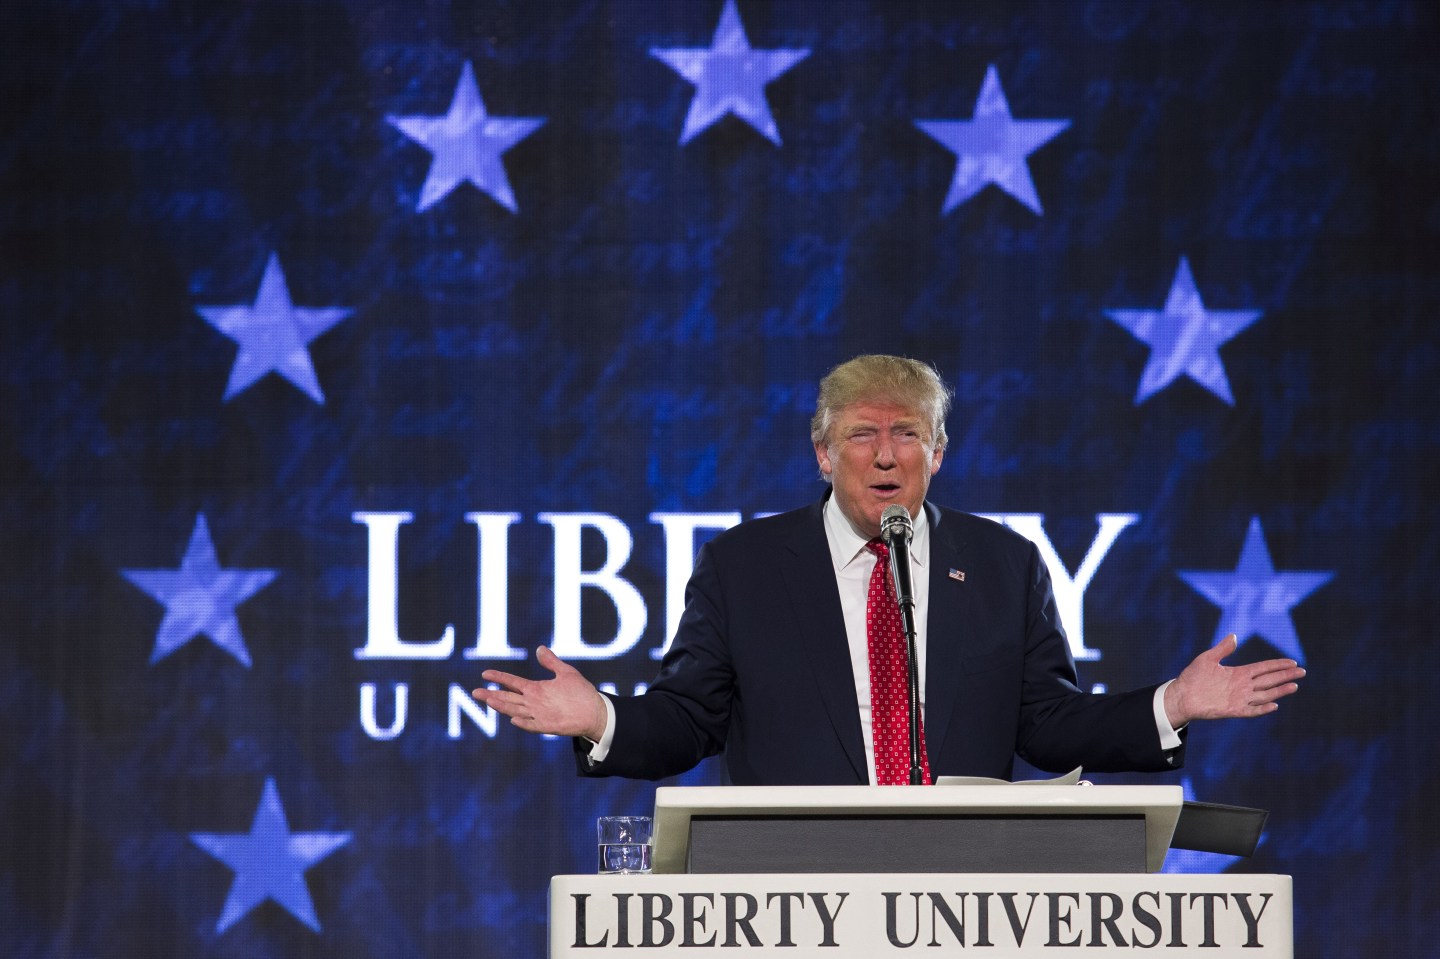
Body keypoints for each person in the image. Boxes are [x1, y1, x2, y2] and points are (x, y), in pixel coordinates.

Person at [472, 355, 1305, 786]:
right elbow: (690, 721)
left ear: (938, 454)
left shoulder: (1003, 564)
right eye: (862, 435)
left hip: (962, 896)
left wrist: (1172, 704)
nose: (884, 454)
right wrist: (600, 719)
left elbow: (1047, 724)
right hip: (795, 899)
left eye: (907, 432)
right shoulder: (746, 566)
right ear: (823, 452)